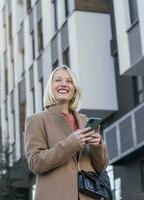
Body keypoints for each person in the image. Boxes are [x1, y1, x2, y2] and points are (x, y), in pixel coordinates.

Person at [24, 65, 109, 200]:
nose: (64, 84)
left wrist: (97, 146)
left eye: (69, 81)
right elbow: (36, 163)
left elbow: (100, 166)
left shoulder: (85, 120)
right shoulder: (36, 120)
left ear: (74, 89)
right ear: (50, 87)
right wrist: (72, 143)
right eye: (58, 80)